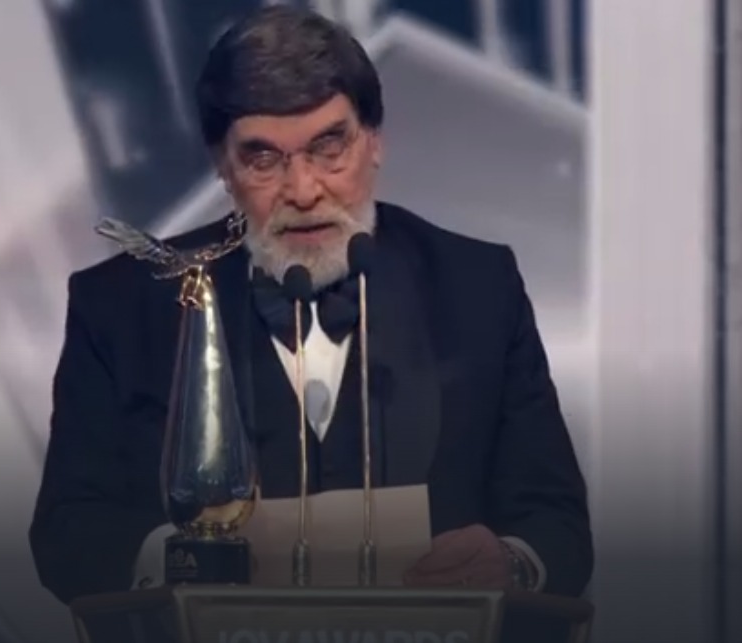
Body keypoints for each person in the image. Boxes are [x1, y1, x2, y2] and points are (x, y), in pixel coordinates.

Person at [29, 4, 592, 609]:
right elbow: (68, 532)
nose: (302, 190)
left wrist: (512, 563)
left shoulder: (479, 286)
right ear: (222, 166)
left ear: (374, 141)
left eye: (329, 147)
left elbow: (557, 522)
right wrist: (180, 559)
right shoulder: (120, 308)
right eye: (263, 158)